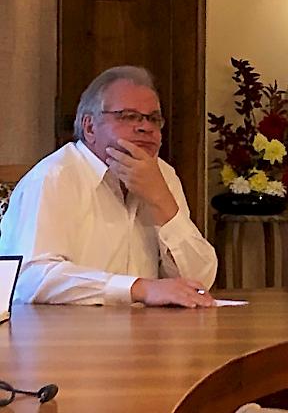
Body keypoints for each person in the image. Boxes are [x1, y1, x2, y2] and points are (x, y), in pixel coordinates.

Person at [0, 66, 217, 307]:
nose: (145, 127)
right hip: (65, 338)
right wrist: (138, 288)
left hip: (146, 336)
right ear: (90, 127)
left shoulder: (162, 175)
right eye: (128, 116)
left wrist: (162, 201)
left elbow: (199, 282)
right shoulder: (54, 177)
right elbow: (29, 280)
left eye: (153, 119)